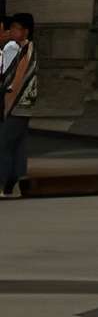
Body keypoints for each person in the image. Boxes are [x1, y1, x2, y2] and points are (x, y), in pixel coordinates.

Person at [0, 15, 36, 199]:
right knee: (18, 145)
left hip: (17, 105)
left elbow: (18, 80)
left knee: (4, 144)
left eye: (15, 28)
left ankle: (4, 183)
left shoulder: (25, 50)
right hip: (24, 105)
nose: (11, 31)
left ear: (25, 31)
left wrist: (6, 106)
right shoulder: (25, 49)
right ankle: (17, 184)